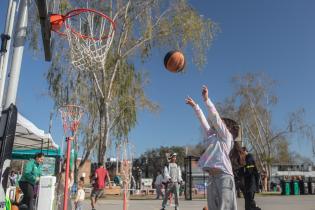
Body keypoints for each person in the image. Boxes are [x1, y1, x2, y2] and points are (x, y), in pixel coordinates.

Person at [186, 85, 239, 210]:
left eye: (222, 123)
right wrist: (195, 107)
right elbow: (203, 121)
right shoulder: (211, 136)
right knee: (213, 207)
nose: (219, 123)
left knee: (226, 207)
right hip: (211, 177)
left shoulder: (227, 137)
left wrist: (206, 100)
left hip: (224, 177)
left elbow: (215, 118)